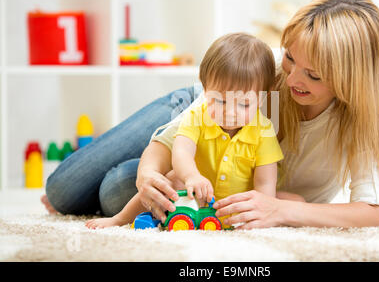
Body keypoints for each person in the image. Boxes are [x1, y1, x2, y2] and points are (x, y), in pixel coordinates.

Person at [43, 0, 379, 229]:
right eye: (290, 58)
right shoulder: (266, 84)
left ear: (351, 80)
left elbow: (376, 212)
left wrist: (280, 210)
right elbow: (190, 125)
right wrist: (148, 172)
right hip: (194, 113)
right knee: (63, 192)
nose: (290, 77)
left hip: (211, 175)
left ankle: (116, 184)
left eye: (312, 75)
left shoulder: (365, 118)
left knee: (113, 191)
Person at [85, 33, 283, 229]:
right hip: (194, 195)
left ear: (263, 99)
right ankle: (119, 219)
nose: (230, 112)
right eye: (220, 100)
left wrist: (260, 214)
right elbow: (181, 152)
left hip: (236, 204)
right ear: (205, 89)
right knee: (169, 180)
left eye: (244, 104)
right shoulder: (197, 116)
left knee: (287, 198)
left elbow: (265, 182)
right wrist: (191, 176)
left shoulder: (264, 130)